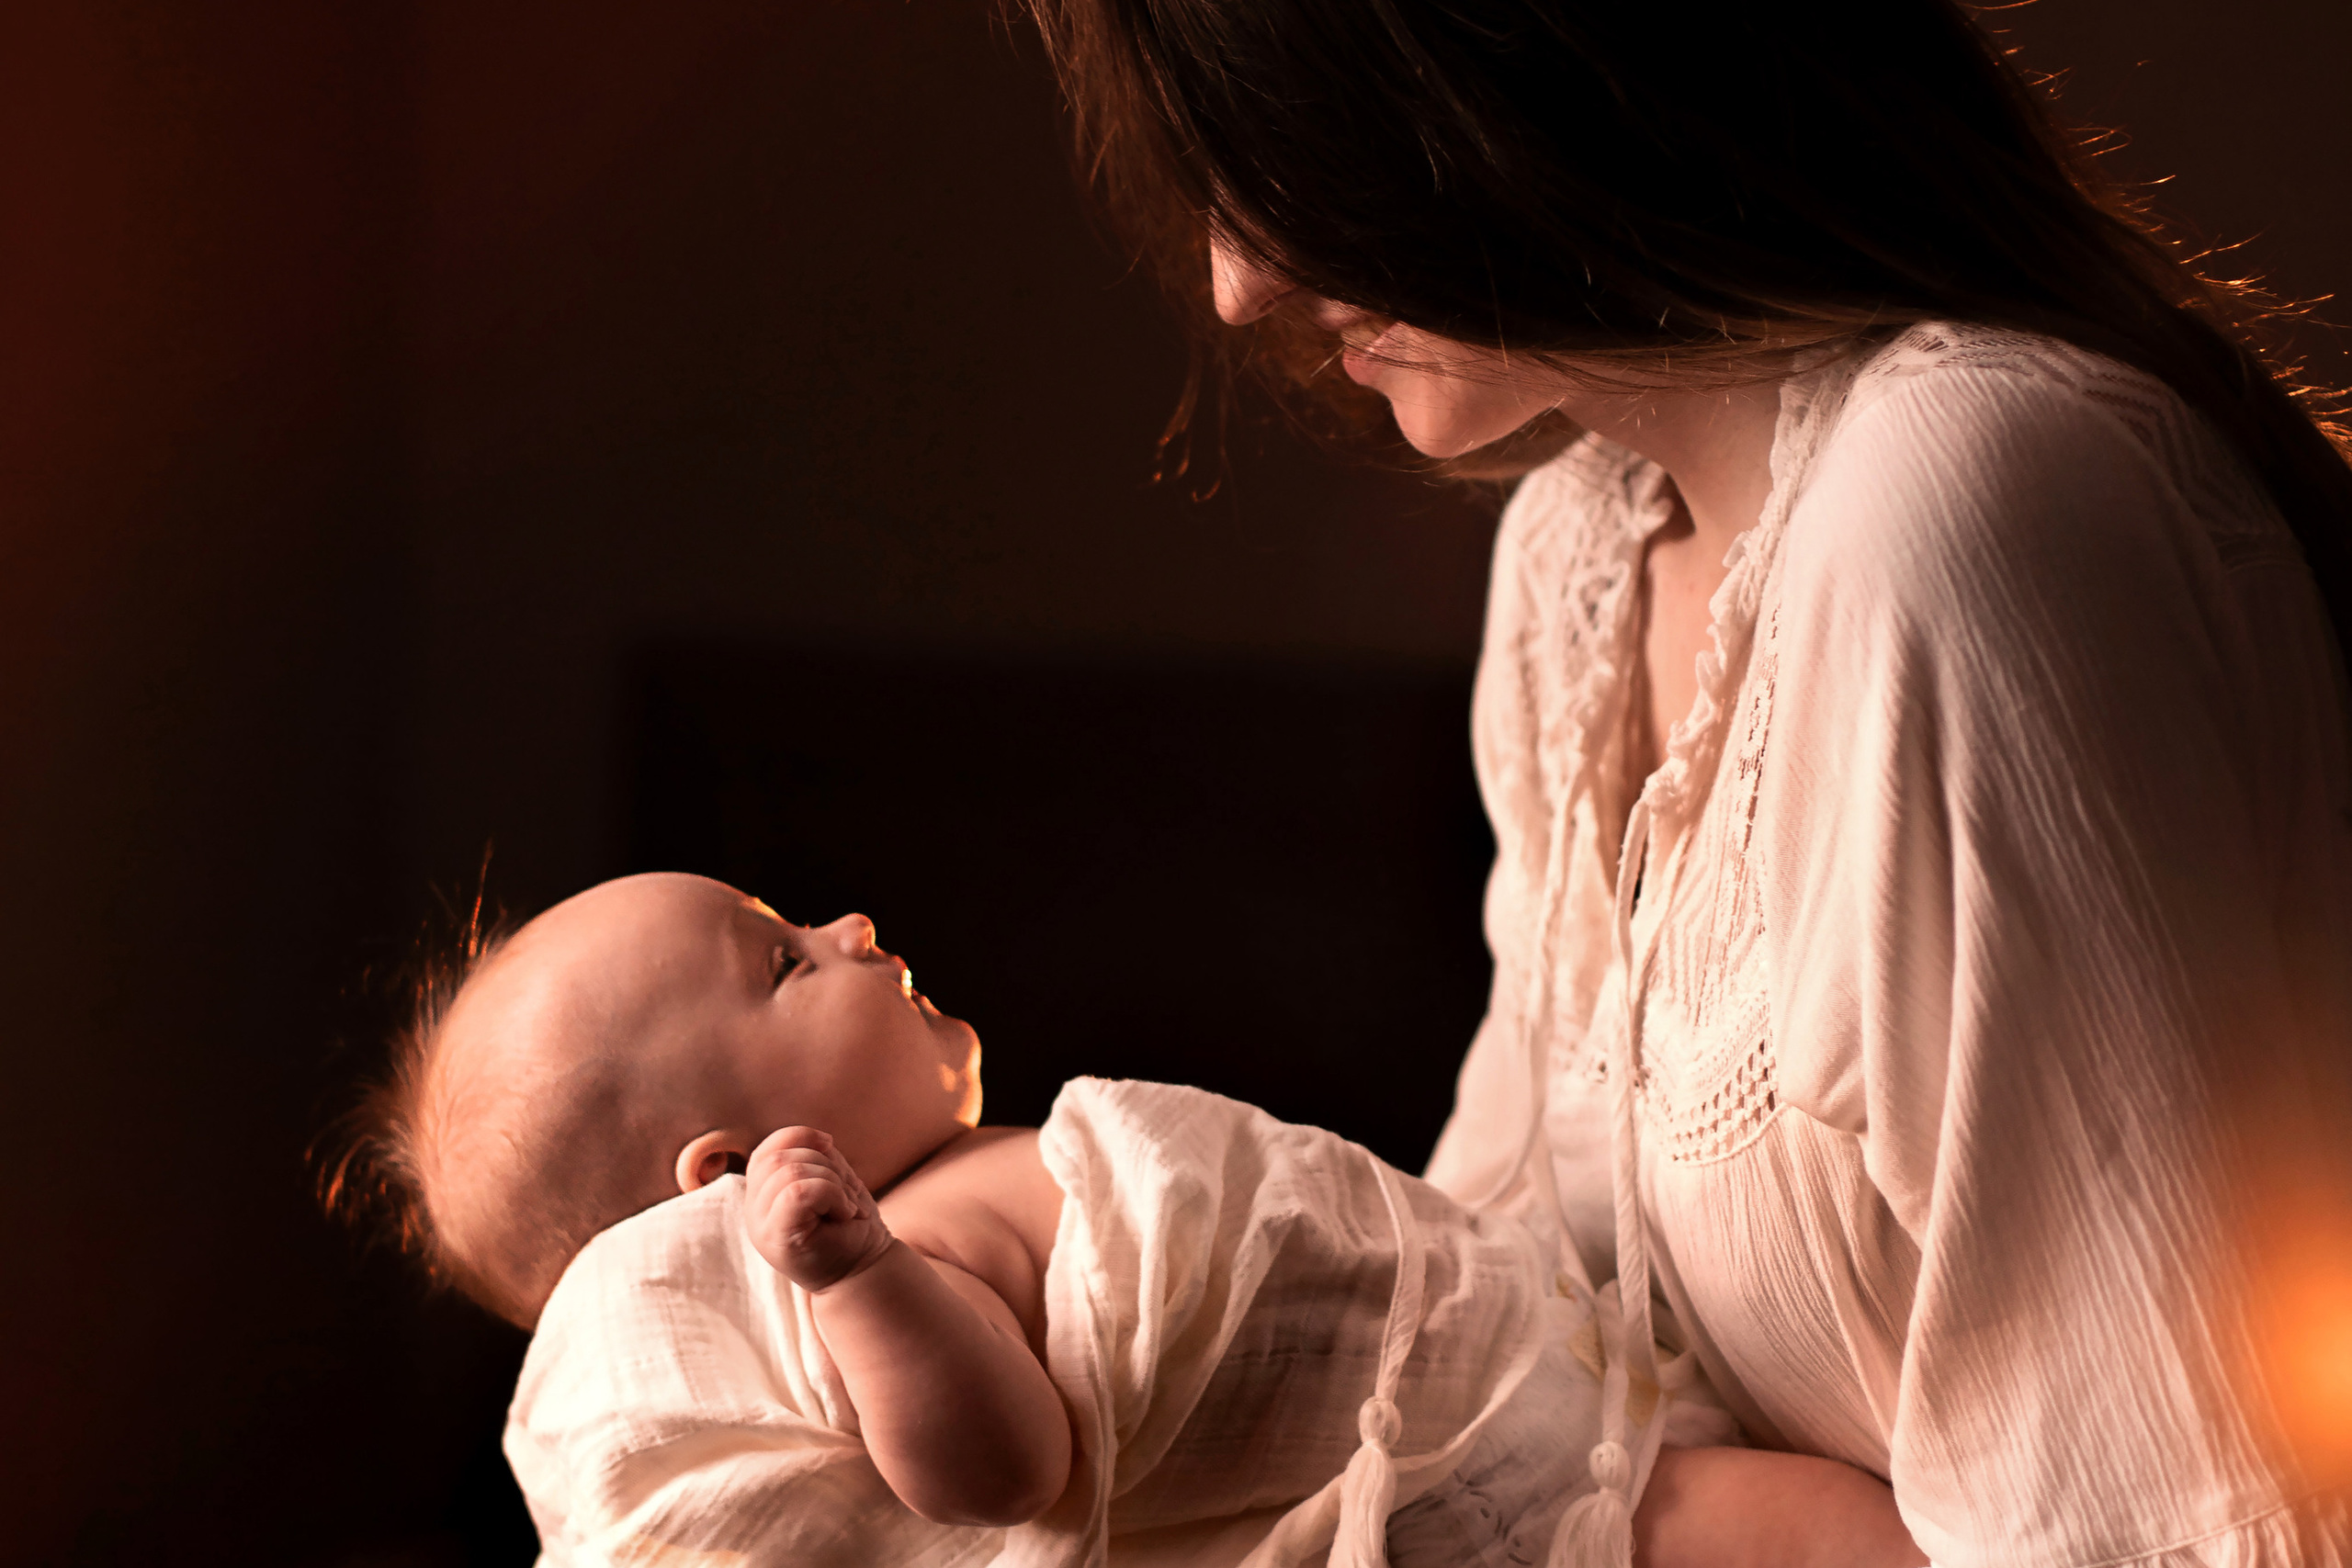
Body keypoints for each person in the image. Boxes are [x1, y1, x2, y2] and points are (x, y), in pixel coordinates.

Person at [1014, 0, 2352, 1563]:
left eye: (1299, 139)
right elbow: (1481, 1340)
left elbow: (2179, 1517)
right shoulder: (1580, 555)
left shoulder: (1957, 509)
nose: (1243, 282)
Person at [330, 870, 1802, 1568]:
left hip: (1529, 1394)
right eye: (781, 964)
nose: (849, 928)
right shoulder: (913, 1263)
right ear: (737, 1182)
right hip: (1510, 1509)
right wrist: (858, 1280)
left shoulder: (956, 1187)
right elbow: (1004, 1468)